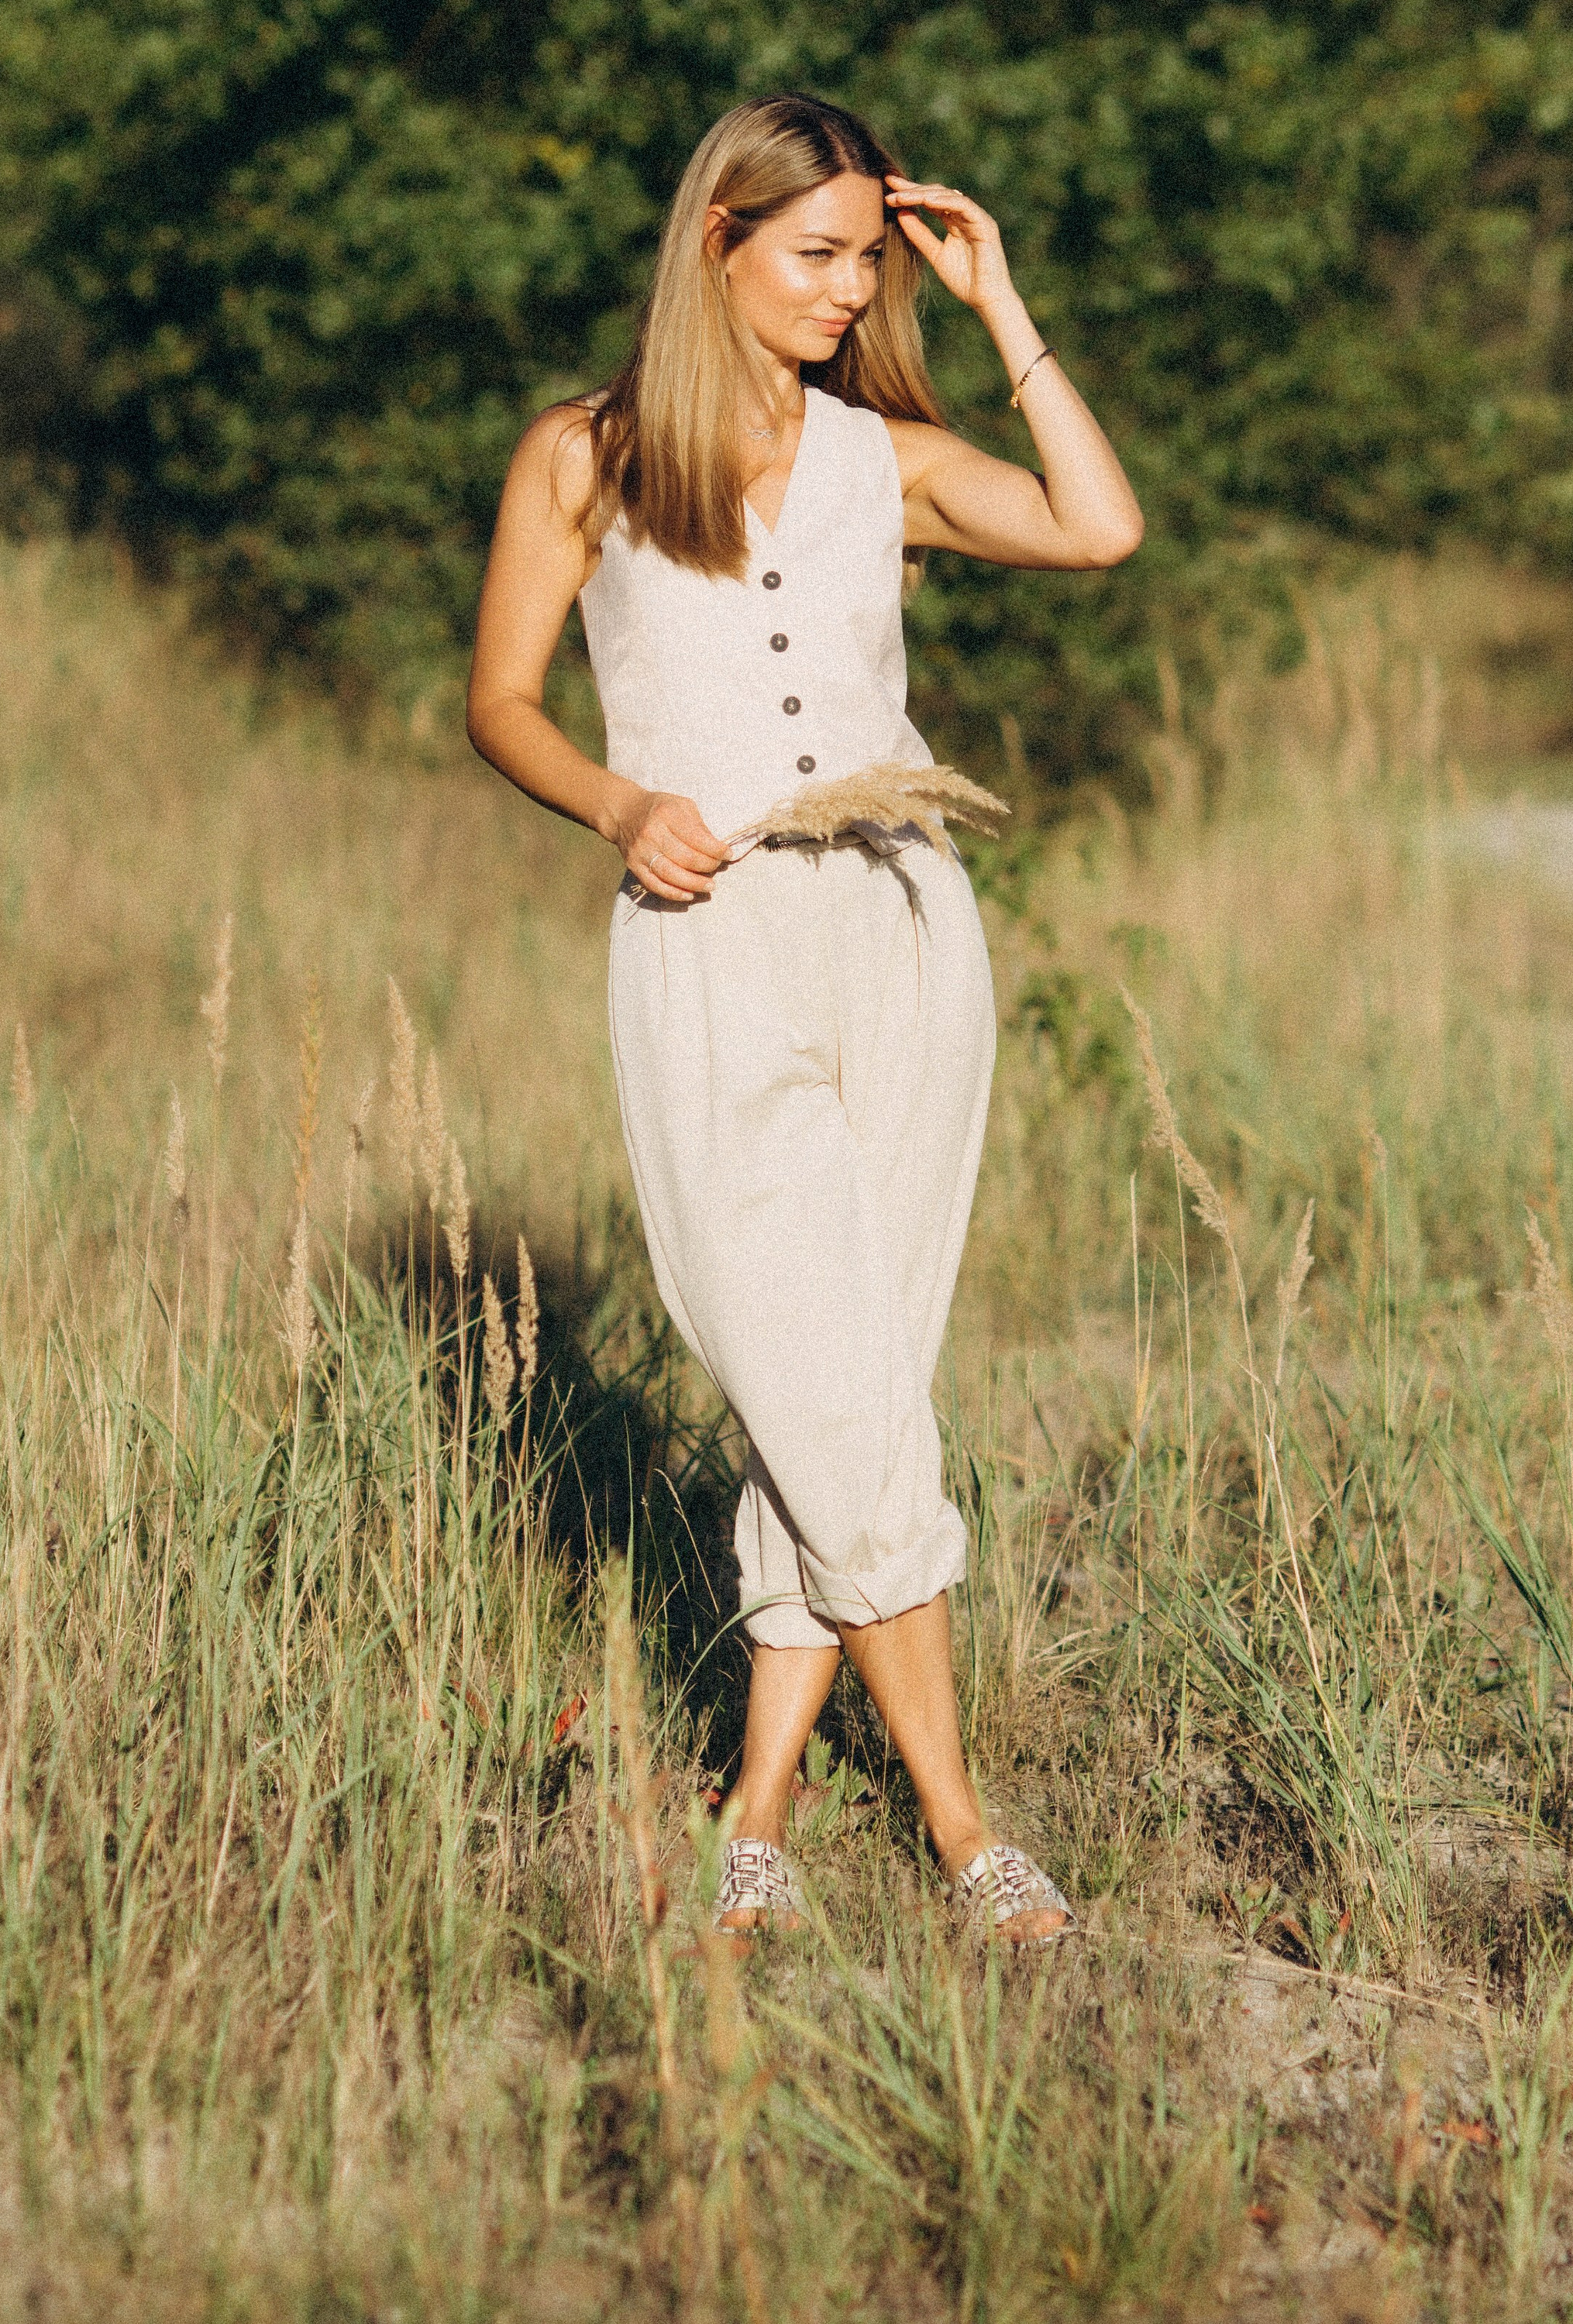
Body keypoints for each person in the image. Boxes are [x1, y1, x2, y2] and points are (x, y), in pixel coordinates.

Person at [466, 94, 1142, 1941]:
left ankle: (756, 1803)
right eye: (817, 255)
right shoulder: (580, 458)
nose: (853, 289)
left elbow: (1099, 526)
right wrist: (616, 805)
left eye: (870, 256)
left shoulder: (888, 459)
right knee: (806, 1366)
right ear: (718, 246)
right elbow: (500, 701)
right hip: (704, 936)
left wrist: (1002, 308)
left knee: (858, 1374)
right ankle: (954, 1821)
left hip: (904, 925)